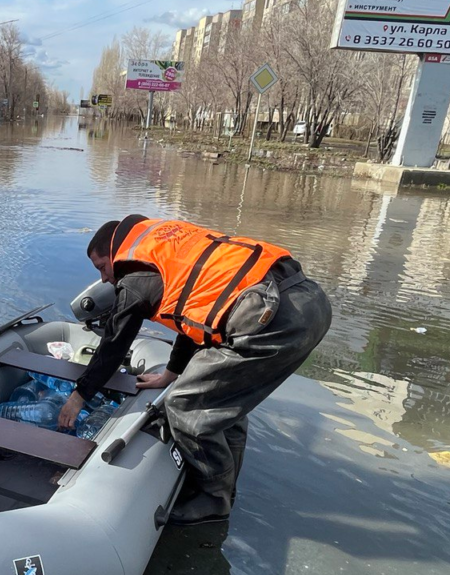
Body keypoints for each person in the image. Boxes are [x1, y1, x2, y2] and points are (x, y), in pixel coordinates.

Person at [58, 215, 333, 525]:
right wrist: (169, 375)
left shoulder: (134, 280)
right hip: (308, 301)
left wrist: (79, 395)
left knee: (184, 405)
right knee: (222, 400)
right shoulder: (165, 246)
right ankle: (224, 486)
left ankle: (213, 499)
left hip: (273, 317)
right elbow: (193, 321)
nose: (105, 279)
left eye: (102, 268)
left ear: (114, 253)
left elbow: (114, 344)